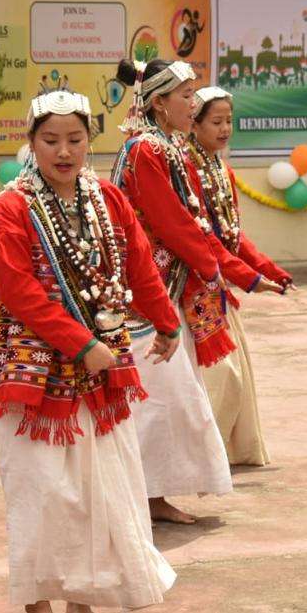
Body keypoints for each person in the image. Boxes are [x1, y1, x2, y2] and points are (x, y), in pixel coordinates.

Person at [0, 87, 179, 612]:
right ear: (32, 143)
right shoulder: (9, 210)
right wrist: (82, 344)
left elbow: (140, 265)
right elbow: (21, 293)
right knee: (42, 491)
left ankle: (84, 594)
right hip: (37, 377)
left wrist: (166, 321)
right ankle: (38, 600)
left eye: (75, 139)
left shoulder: (107, 200)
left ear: (90, 141)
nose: (64, 151)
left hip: (103, 366)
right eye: (51, 140)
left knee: (99, 490)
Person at [111, 58, 232, 524]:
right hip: (146, 293)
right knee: (162, 397)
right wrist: (211, 263)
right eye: (185, 96)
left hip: (161, 289)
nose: (192, 103)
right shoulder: (148, 151)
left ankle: (152, 494)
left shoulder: (164, 146)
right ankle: (145, 495)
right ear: (159, 103)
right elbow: (169, 221)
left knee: (171, 394)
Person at [183, 86, 291, 465]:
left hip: (219, 285)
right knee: (221, 376)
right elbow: (203, 237)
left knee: (233, 375)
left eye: (229, 120)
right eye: (216, 121)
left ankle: (226, 454)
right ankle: (201, 458)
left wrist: (266, 268)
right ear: (193, 124)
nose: (225, 128)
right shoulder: (186, 169)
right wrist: (248, 277)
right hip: (192, 284)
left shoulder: (221, 170)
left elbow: (232, 233)